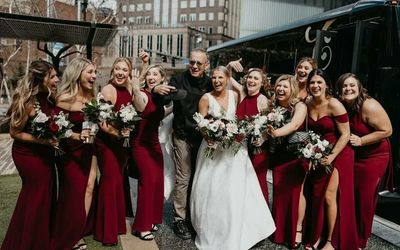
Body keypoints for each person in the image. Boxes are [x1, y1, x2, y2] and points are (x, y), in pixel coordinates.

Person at [190, 66, 275, 250]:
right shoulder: (206, 98)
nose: (217, 81)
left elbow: (250, 113)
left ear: (226, 79)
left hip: (235, 149)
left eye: (220, 77)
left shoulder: (235, 95)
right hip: (213, 148)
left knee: (235, 189)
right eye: (213, 77)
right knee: (211, 188)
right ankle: (212, 229)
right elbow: (201, 123)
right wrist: (210, 136)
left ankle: (239, 229)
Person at [152, 48, 212, 239]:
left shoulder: (211, 83)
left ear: (206, 65)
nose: (194, 66)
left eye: (198, 63)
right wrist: (156, 91)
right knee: (184, 177)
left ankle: (195, 217)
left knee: (200, 178)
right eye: (191, 62)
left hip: (203, 139)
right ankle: (180, 219)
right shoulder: (178, 80)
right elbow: (163, 98)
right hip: (182, 136)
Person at [1, 60, 59, 250]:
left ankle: (39, 240)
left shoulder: (50, 97)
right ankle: (27, 243)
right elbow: (15, 132)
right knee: (36, 195)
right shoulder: (27, 101)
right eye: (52, 76)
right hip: (28, 155)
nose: (56, 79)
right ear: (41, 79)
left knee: (44, 195)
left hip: (46, 153)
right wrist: (43, 141)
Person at [303, 69, 357, 250]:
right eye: (312, 82)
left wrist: (331, 156)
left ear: (327, 84)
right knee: (315, 194)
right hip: (319, 153)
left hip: (339, 153)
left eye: (319, 82)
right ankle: (316, 235)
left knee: (328, 196)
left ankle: (330, 242)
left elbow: (345, 134)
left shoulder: (334, 104)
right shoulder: (308, 103)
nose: (315, 86)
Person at [337, 73, 392, 249]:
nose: (348, 89)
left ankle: (361, 240)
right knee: (351, 195)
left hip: (374, 157)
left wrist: (361, 141)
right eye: (345, 86)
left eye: (352, 85)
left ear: (359, 88)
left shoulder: (369, 105)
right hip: (357, 156)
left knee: (365, 198)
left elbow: (387, 130)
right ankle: (349, 233)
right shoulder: (343, 105)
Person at [51, 57, 98, 250]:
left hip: (90, 148)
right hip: (69, 151)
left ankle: (78, 232)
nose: (94, 76)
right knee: (72, 193)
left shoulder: (93, 98)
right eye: (90, 72)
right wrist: (76, 135)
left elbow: (94, 124)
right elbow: (55, 128)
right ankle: (69, 234)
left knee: (89, 188)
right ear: (78, 74)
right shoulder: (63, 99)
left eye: (95, 72)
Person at [93, 57, 134, 245]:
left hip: (121, 144)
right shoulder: (107, 90)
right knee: (110, 182)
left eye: (124, 70)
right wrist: (119, 134)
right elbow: (102, 124)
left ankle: (116, 225)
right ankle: (105, 232)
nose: (120, 72)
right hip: (107, 143)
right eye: (117, 69)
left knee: (117, 181)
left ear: (129, 73)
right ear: (112, 71)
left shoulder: (129, 89)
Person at [130, 64, 173, 241]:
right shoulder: (142, 93)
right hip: (140, 144)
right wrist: (134, 85)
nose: (151, 76)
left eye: (155, 74)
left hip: (154, 144)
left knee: (157, 181)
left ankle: (153, 219)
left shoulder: (161, 98)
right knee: (147, 182)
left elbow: (161, 114)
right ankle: (141, 226)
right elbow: (140, 107)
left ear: (162, 78)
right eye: (149, 74)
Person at [267, 74, 308, 249]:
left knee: (296, 193)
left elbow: (295, 125)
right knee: (279, 192)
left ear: (292, 88)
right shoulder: (274, 106)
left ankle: (297, 229)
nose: (281, 89)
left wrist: (276, 133)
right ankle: (279, 230)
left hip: (295, 155)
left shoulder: (299, 105)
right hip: (279, 155)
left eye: (285, 86)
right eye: (278, 86)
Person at [227, 59, 271, 201]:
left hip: (257, 149)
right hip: (239, 148)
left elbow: (269, 125)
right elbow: (227, 76)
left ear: (262, 83)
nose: (251, 80)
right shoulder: (242, 92)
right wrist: (230, 65)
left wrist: (263, 137)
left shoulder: (263, 100)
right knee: (240, 182)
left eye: (256, 78)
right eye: (250, 77)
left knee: (258, 183)